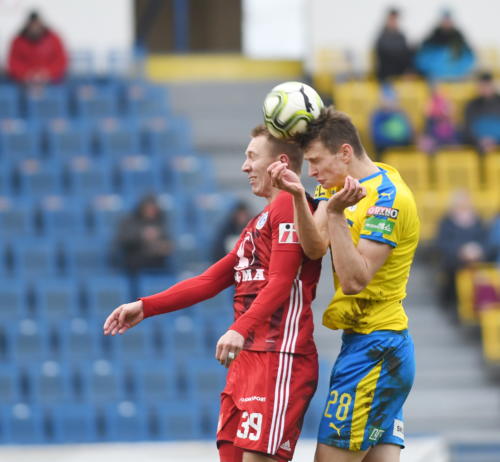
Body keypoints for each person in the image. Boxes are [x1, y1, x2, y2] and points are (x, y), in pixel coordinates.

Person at [103, 126, 322, 462]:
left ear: (280, 162)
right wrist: (146, 306)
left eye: (251, 157)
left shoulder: (293, 208)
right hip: (246, 363)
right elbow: (210, 279)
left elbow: (280, 282)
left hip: (279, 357)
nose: (244, 167)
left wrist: (239, 327)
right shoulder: (258, 221)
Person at [268, 107, 419, 462]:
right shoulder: (335, 186)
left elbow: (354, 280)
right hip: (365, 344)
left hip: (377, 348)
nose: (312, 171)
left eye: (317, 161)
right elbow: (315, 245)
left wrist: (334, 214)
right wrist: (295, 196)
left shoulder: (388, 198)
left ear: (345, 153)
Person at [434, 190, 488, 310]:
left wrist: (477, 250)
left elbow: (484, 240)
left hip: (476, 258)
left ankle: (481, 305)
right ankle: (455, 304)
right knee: (455, 271)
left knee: (483, 272)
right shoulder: (446, 221)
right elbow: (442, 243)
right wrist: (460, 251)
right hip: (455, 260)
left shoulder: (477, 220)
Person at [113, 194, 173, 276]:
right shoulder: (129, 221)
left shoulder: (159, 222)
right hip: (134, 260)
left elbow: (167, 243)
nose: (151, 211)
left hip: (157, 261)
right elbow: (123, 241)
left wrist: (161, 246)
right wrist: (142, 237)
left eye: (153, 208)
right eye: (149, 208)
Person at [7, 11, 68, 85]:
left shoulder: (53, 39)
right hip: (23, 84)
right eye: (32, 25)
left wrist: (47, 73)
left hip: (52, 83)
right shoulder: (18, 41)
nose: (34, 28)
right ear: (27, 25)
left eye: (37, 25)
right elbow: (13, 63)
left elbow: (61, 61)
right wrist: (27, 74)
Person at [414, 9, 475, 81]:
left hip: (457, 79)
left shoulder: (459, 39)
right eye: (445, 20)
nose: (446, 23)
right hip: (435, 79)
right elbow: (421, 59)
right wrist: (431, 71)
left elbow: (469, 58)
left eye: (448, 20)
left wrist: (460, 71)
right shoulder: (431, 38)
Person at [370, 84, 413, 157]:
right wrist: (395, 140)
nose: (389, 103)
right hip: (384, 150)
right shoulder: (377, 115)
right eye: (386, 99)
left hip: (402, 149)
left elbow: (408, 133)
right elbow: (376, 137)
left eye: (392, 100)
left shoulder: (401, 114)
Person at [464, 72, 500, 154]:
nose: (484, 88)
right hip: (477, 147)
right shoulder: (471, 105)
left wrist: (495, 140)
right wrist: (479, 141)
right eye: (481, 86)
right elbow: (467, 129)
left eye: (487, 85)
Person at [374, 8, 413, 82]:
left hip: (400, 70)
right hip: (386, 72)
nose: (394, 22)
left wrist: (409, 69)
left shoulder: (401, 36)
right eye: (392, 19)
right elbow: (382, 54)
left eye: (395, 19)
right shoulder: (382, 36)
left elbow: (407, 53)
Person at [418, 87, 460, 154]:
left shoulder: (452, 125)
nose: (440, 108)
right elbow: (424, 141)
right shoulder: (429, 123)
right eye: (437, 103)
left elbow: (456, 143)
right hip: (434, 155)